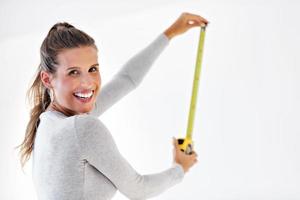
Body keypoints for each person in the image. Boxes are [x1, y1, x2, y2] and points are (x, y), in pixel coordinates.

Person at [17, 12, 209, 200]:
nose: (87, 83)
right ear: (47, 79)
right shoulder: (80, 129)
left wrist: (171, 32)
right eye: (74, 72)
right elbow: (138, 190)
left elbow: (126, 79)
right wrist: (179, 169)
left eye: (93, 69)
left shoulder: (49, 124)